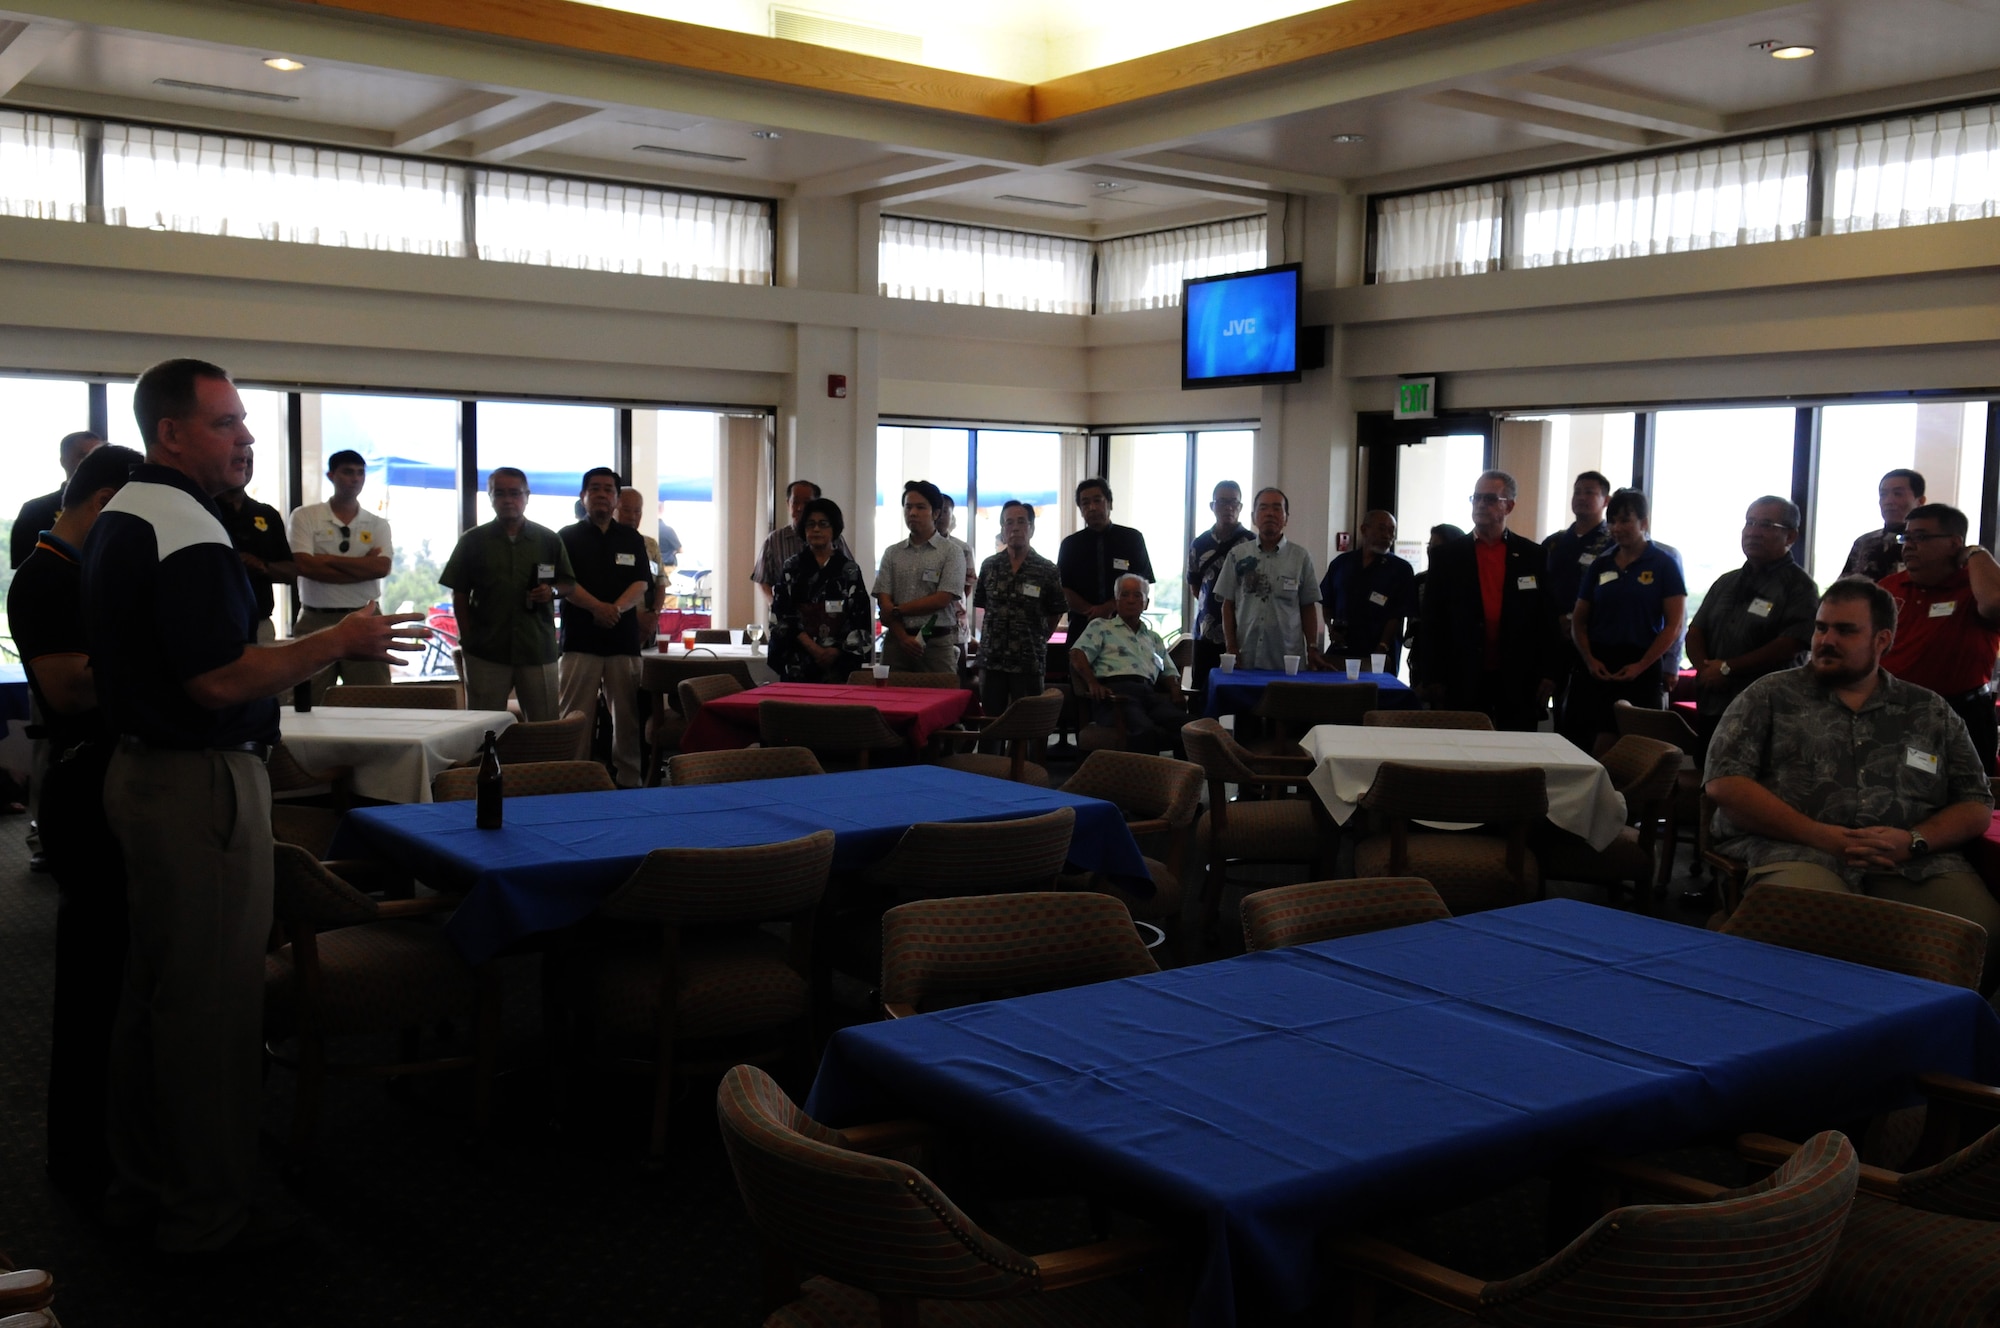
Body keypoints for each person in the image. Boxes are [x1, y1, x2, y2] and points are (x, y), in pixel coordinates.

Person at [83, 358, 425, 1253]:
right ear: (171, 433)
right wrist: (340, 640)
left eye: (244, 422)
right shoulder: (183, 527)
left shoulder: (128, 513)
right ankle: (207, 1215)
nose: (245, 438)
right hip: (196, 784)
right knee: (211, 1009)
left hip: (148, 773)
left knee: (156, 995)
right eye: (227, 422)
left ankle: (142, 1184)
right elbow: (218, 677)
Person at [1705, 579, 2000, 990]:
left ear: (1882, 640)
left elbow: (1975, 800)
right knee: (1818, 923)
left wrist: (1915, 840)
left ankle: (1925, 1037)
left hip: (1910, 859)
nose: (1826, 640)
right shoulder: (1771, 695)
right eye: (1821, 628)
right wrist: (1822, 836)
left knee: (1979, 931)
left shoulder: (1928, 710)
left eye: (1845, 630)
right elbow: (1725, 783)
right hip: (1797, 850)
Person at [9, 442, 140, 1207]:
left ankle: (110, 1138)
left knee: (120, 971)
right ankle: (80, 1155)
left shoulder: (80, 571)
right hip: (81, 784)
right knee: (92, 979)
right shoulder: (44, 576)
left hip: (108, 775)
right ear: (100, 503)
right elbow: (68, 689)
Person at [1415, 471, 1557, 731]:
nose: (1481, 504)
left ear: (1509, 505)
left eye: (1490, 499)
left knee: (1516, 750)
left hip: (1518, 675)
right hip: (1462, 673)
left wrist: (1549, 672)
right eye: (1477, 498)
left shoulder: (1532, 555)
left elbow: (1545, 620)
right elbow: (1432, 621)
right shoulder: (1448, 556)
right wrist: (1431, 676)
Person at [441, 467, 576, 720]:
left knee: (544, 725)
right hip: (486, 650)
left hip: (537, 648)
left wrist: (552, 590)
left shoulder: (548, 539)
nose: (507, 500)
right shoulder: (473, 541)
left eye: (514, 493)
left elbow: (569, 584)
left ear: (527, 496)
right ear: (490, 497)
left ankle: (542, 763)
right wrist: (468, 639)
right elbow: (459, 593)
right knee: (481, 729)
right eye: (499, 493)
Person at [1684, 497, 1817, 750]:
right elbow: (1696, 630)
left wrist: (1728, 668)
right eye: (1750, 522)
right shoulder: (1726, 581)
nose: (1754, 532)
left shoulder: (1800, 587)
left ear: (1790, 536)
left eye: (1767, 525)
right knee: (1709, 777)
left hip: (1766, 709)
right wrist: (1706, 669)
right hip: (1713, 702)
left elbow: (1791, 644)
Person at [1878, 502, 2000, 772]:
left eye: (1920, 537)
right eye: (1906, 537)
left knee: (1967, 798)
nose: (1908, 545)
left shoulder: (1975, 587)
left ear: (1954, 543)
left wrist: (1976, 553)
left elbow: (1994, 603)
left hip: (1961, 714)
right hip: (1893, 712)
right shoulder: (1889, 588)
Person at [1564, 489, 1687, 746]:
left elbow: (1674, 625)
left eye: (1625, 520)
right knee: (1590, 742)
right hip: (1599, 664)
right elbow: (1579, 620)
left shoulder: (1664, 563)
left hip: (1642, 663)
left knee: (1636, 745)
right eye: (1613, 521)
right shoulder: (1601, 564)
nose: (1617, 527)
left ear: (1644, 523)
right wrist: (1589, 659)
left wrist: (1642, 665)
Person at [557, 468, 653, 787]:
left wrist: (615, 609)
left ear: (615, 499)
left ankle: (629, 782)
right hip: (579, 641)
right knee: (574, 719)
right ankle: (572, 781)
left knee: (627, 719)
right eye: (594, 489)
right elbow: (563, 582)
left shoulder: (631, 538)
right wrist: (597, 607)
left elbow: (641, 583)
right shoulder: (566, 537)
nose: (601, 494)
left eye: (608, 490)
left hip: (622, 641)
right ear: (583, 497)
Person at [289, 448, 394, 699]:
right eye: (348, 472)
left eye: (360, 473)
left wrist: (324, 561)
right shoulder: (306, 516)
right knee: (307, 700)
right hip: (316, 619)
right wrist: (361, 567)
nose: (355, 479)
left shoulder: (377, 523)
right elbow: (304, 566)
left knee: (375, 700)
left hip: (365, 616)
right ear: (331, 475)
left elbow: (381, 568)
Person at [1069, 573, 1187, 752]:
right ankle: (1143, 778)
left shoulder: (1153, 637)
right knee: (1146, 731)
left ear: (1146, 603)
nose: (1131, 600)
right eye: (1124, 595)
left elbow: (1169, 670)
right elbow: (1077, 654)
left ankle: (1184, 777)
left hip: (1149, 696)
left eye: (1137, 595)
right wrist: (1092, 683)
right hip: (1116, 696)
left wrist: (1175, 691)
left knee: (1189, 727)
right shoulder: (1100, 626)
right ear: (1116, 601)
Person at [1217, 487, 1330, 674]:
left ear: (1286, 517)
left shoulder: (1300, 557)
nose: (1270, 513)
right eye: (1263, 508)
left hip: (1288, 659)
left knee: (1285, 703)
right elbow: (1227, 605)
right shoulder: (1237, 555)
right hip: (1246, 656)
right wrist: (1231, 648)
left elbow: (1308, 606)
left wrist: (1312, 647)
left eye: (1277, 508)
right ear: (1253, 517)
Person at [973, 500, 1064, 719]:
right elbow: (983, 605)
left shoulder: (1047, 569)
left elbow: (1056, 610)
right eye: (1008, 523)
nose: (1015, 528)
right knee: (990, 724)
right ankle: (992, 756)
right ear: (1003, 530)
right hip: (992, 660)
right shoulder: (989, 566)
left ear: (1031, 528)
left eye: (1021, 522)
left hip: (1028, 660)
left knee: (1027, 724)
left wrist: (1039, 637)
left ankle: (1025, 756)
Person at [1541, 471, 1614, 731]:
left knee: (1592, 722)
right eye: (1577, 491)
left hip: (1594, 644)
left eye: (1590, 492)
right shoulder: (1554, 543)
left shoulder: (1613, 544)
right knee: (1560, 722)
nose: (1581, 497)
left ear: (1605, 500)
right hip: (1553, 643)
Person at [770, 496, 872, 683]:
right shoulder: (792, 567)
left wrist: (836, 651)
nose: (816, 529)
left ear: (834, 529)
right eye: (810, 524)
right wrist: (814, 648)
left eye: (823, 524)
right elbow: (782, 614)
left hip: (839, 659)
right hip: (799, 656)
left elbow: (859, 616)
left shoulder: (849, 569)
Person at [874, 479, 965, 674]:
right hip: (897, 643)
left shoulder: (952, 552)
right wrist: (903, 637)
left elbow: (943, 598)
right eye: (908, 507)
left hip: (936, 644)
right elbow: (884, 599)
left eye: (920, 507)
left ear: (936, 513)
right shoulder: (892, 553)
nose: (912, 513)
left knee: (942, 700)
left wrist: (898, 610)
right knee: (892, 701)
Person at [1319, 508, 1414, 672]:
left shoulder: (1400, 569)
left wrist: (1382, 647)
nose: (1388, 535)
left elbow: (1397, 615)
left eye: (1392, 530)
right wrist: (1330, 627)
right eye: (1382, 528)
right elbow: (1327, 602)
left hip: (1379, 652)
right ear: (1364, 530)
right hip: (1343, 649)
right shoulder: (1341, 564)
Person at [216, 453, 297, 644]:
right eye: (237, 460)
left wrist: (262, 566)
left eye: (248, 462)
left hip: (261, 624)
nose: (244, 466)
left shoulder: (267, 514)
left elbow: (292, 572)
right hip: (215, 624)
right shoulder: (202, 509)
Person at [1186, 480, 1253, 700]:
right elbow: (1195, 586)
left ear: (1241, 506)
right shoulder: (1200, 544)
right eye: (1222, 502)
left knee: (1244, 696)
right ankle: (1201, 734)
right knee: (1202, 694)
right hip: (1206, 632)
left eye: (1234, 502)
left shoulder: (1252, 543)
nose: (1228, 507)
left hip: (1244, 633)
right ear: (1212, 506)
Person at [1057, 478, 1153, 624]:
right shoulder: (1070, 545)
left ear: (1110, 503)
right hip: (1082, 623)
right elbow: (1063, 588)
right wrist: (1093, 611)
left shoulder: (1132, 539)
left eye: (1097, 500)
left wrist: (1108, 608)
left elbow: (1143, 581)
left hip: (1125, 623)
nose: (1092, 507)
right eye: (1085, 503)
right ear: (1080, 510)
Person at [11, 429, 103, 570]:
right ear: (63, 461)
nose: (92, 463)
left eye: (98, 456)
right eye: (84, 456)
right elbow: (25, 568)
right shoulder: (35, 511)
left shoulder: (115, 508)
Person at [753, 479, 849, 606]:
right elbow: (762, 578)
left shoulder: (834, 538)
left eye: (807, 502)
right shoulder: (774, 540)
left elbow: (849, 573)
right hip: (789, 616)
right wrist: (774, 604)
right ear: (788, 504)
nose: (800, 508)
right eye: (795, 502)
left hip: (830, 614)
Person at [1841, 468, 1924, 584]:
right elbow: (1842, 588)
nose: (1888, 501)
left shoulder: (1927, 543)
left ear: (1920, 501)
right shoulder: (1865, 542)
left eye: (1898, 494)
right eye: (1883, 494)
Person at [1405, 522, 1464, 682]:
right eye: (1429, 545)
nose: (1430, 550)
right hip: (1422, 653)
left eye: (1437, 546)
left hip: (1456, 655)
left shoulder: (1466, 581)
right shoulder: (1420, 580)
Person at [616, 485, 668, 647]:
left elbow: (660, 583)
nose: (632, 516)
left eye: (637, 511)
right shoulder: (606, 544)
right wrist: (634, 616)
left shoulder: (650, 544)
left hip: (648, 628)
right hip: (617, 623)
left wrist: (653, 615)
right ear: (614, 509)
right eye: (626, 510)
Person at [935, 493, 977, 660]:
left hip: (956, 623)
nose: (940, 516)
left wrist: (952, 604)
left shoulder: (962, 548)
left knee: (958, 677)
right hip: (927, 624)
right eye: (938, 511)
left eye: (946, 511)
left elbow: (968, 584)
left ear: (952, 516)